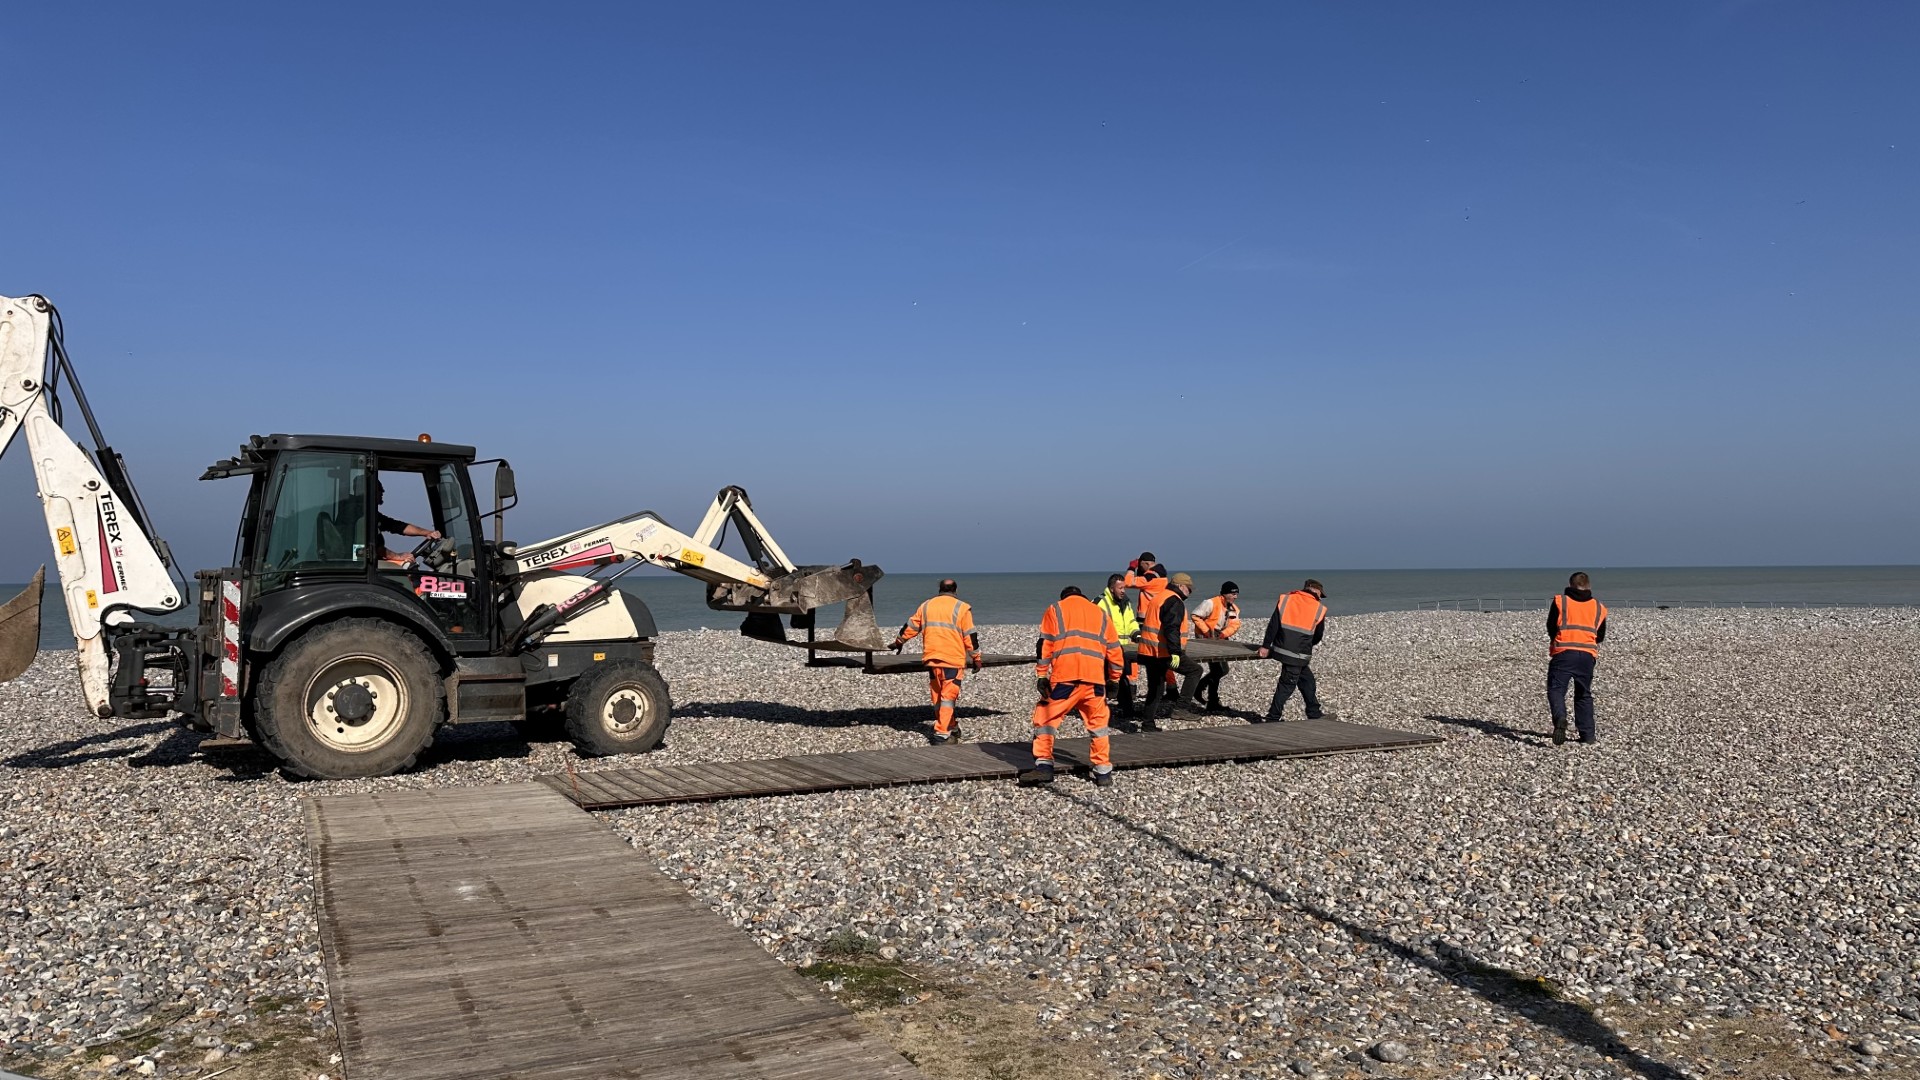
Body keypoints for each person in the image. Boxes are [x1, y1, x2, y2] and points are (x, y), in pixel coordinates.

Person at [1019, 586, 1125, 787]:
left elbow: (1045, 644)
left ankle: (1043, 765)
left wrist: (1042, 675)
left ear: (1064, 596)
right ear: (1083, 597)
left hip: (1065, 678)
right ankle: (1103, 772)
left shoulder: (1056, 609)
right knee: (1099, 725)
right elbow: (1114, 649)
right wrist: (1115, 679)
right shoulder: (1101, 613)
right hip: (1094, 680)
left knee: (1046, 719)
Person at [890, 578, 982, 744]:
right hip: (952, 659)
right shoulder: (962, 608)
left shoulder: (926, 606)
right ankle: (941, 734)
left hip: (932, 658)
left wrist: (899, 642)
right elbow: (970, 636)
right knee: (948, 697)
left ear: (939, 589)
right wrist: (976, 657)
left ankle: (952, 726)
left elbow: (911, 626)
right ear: (956, 590)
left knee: (938, 695)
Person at [1255, 579, 1334, 722]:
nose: (1320, 597)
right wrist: (1307, 644)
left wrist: (1266, 645)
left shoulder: (1287, 599)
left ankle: (1314, 712)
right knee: (1286, 686)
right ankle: (1273, 718)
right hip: (1298, 653)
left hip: (1281, 649)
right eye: (1320, 594)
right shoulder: (1318, 608)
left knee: (1307, 681)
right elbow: (1317, 636)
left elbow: (1274, 624)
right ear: (1314, 590)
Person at [1547, 572, 1609, 745]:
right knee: (1583, 694)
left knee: (1557, 689)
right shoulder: (1598, 607)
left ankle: (1560, 718)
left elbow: (1551, 626)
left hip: (1564, 652)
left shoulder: (1561, 601)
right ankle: (1587, 735)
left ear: (1570, 585)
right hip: (1587, 655)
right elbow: (1600, 635)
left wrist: (1558, 641)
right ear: (1588, 586)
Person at [1138, 572, 1196, 728]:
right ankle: (1181, 708)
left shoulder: (1159, 596)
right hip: (1163, 653)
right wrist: (1175, 653)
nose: (1190, 593)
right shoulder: (1174, 601)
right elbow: (1172, 629)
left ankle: (1147, 723)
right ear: (1181, 586)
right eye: (1189, 589)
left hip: (1148, 651)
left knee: (1156, 688)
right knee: (1195, 671)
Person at [1190, 581, 1242, 712]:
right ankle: (1210, 698)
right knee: (1218, 670)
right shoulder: (1210, 603)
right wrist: (1207, 631)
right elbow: (1195, 615)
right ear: (1224, 594)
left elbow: (1235, 625)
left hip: (1219, 638)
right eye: (1233, 593)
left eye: (1236, 594)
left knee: (1221, 670)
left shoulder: (1234, 609)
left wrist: (1223, 634)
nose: (1235, 596)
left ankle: (1202, 690)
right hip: (1205, 638)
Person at [1097, 573, 1143, 719]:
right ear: (1111, 589)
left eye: (1124, 587)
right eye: (1120, 588)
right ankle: (1099, 711)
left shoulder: (1126, 603)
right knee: (1103, 680)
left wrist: (1136, 634)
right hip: (1105, 650)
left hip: (1122, 649)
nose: (1123, 591)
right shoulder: (1100, 603)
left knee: (1122, 680)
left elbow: (1130, 622)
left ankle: (1127, 710)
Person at [374, 477, 441, 568]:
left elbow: (398, 526)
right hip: (367, 565)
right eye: (380, 489)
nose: (383, 491)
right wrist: (398, 556)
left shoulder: (374, 516)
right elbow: (374, 546)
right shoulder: (360, 518)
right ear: (371, 491)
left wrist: (427, 533)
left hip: (373, 561)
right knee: (409, 568)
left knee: (408, 566)